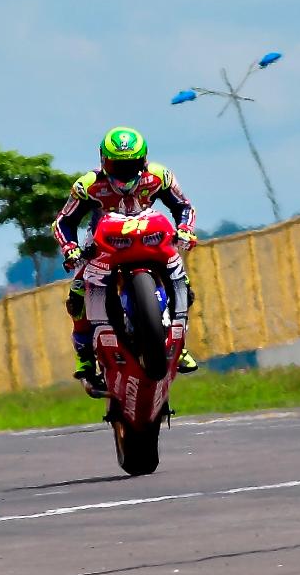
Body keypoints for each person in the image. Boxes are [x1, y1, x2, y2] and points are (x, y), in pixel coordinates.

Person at [52, 127, 198, 398]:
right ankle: (85, 357)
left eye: (130, 165)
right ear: (103, 161)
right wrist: (70, 248)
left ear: (142, 161)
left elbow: (183, 206)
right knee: (78, 293)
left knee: (182, 280)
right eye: (117, 165)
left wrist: (185, 229)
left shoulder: (159, 177)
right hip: (103, 246)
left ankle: (180, 344)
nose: (124, 172)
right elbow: (64, 221)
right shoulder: (88, 185)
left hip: (150, 239)